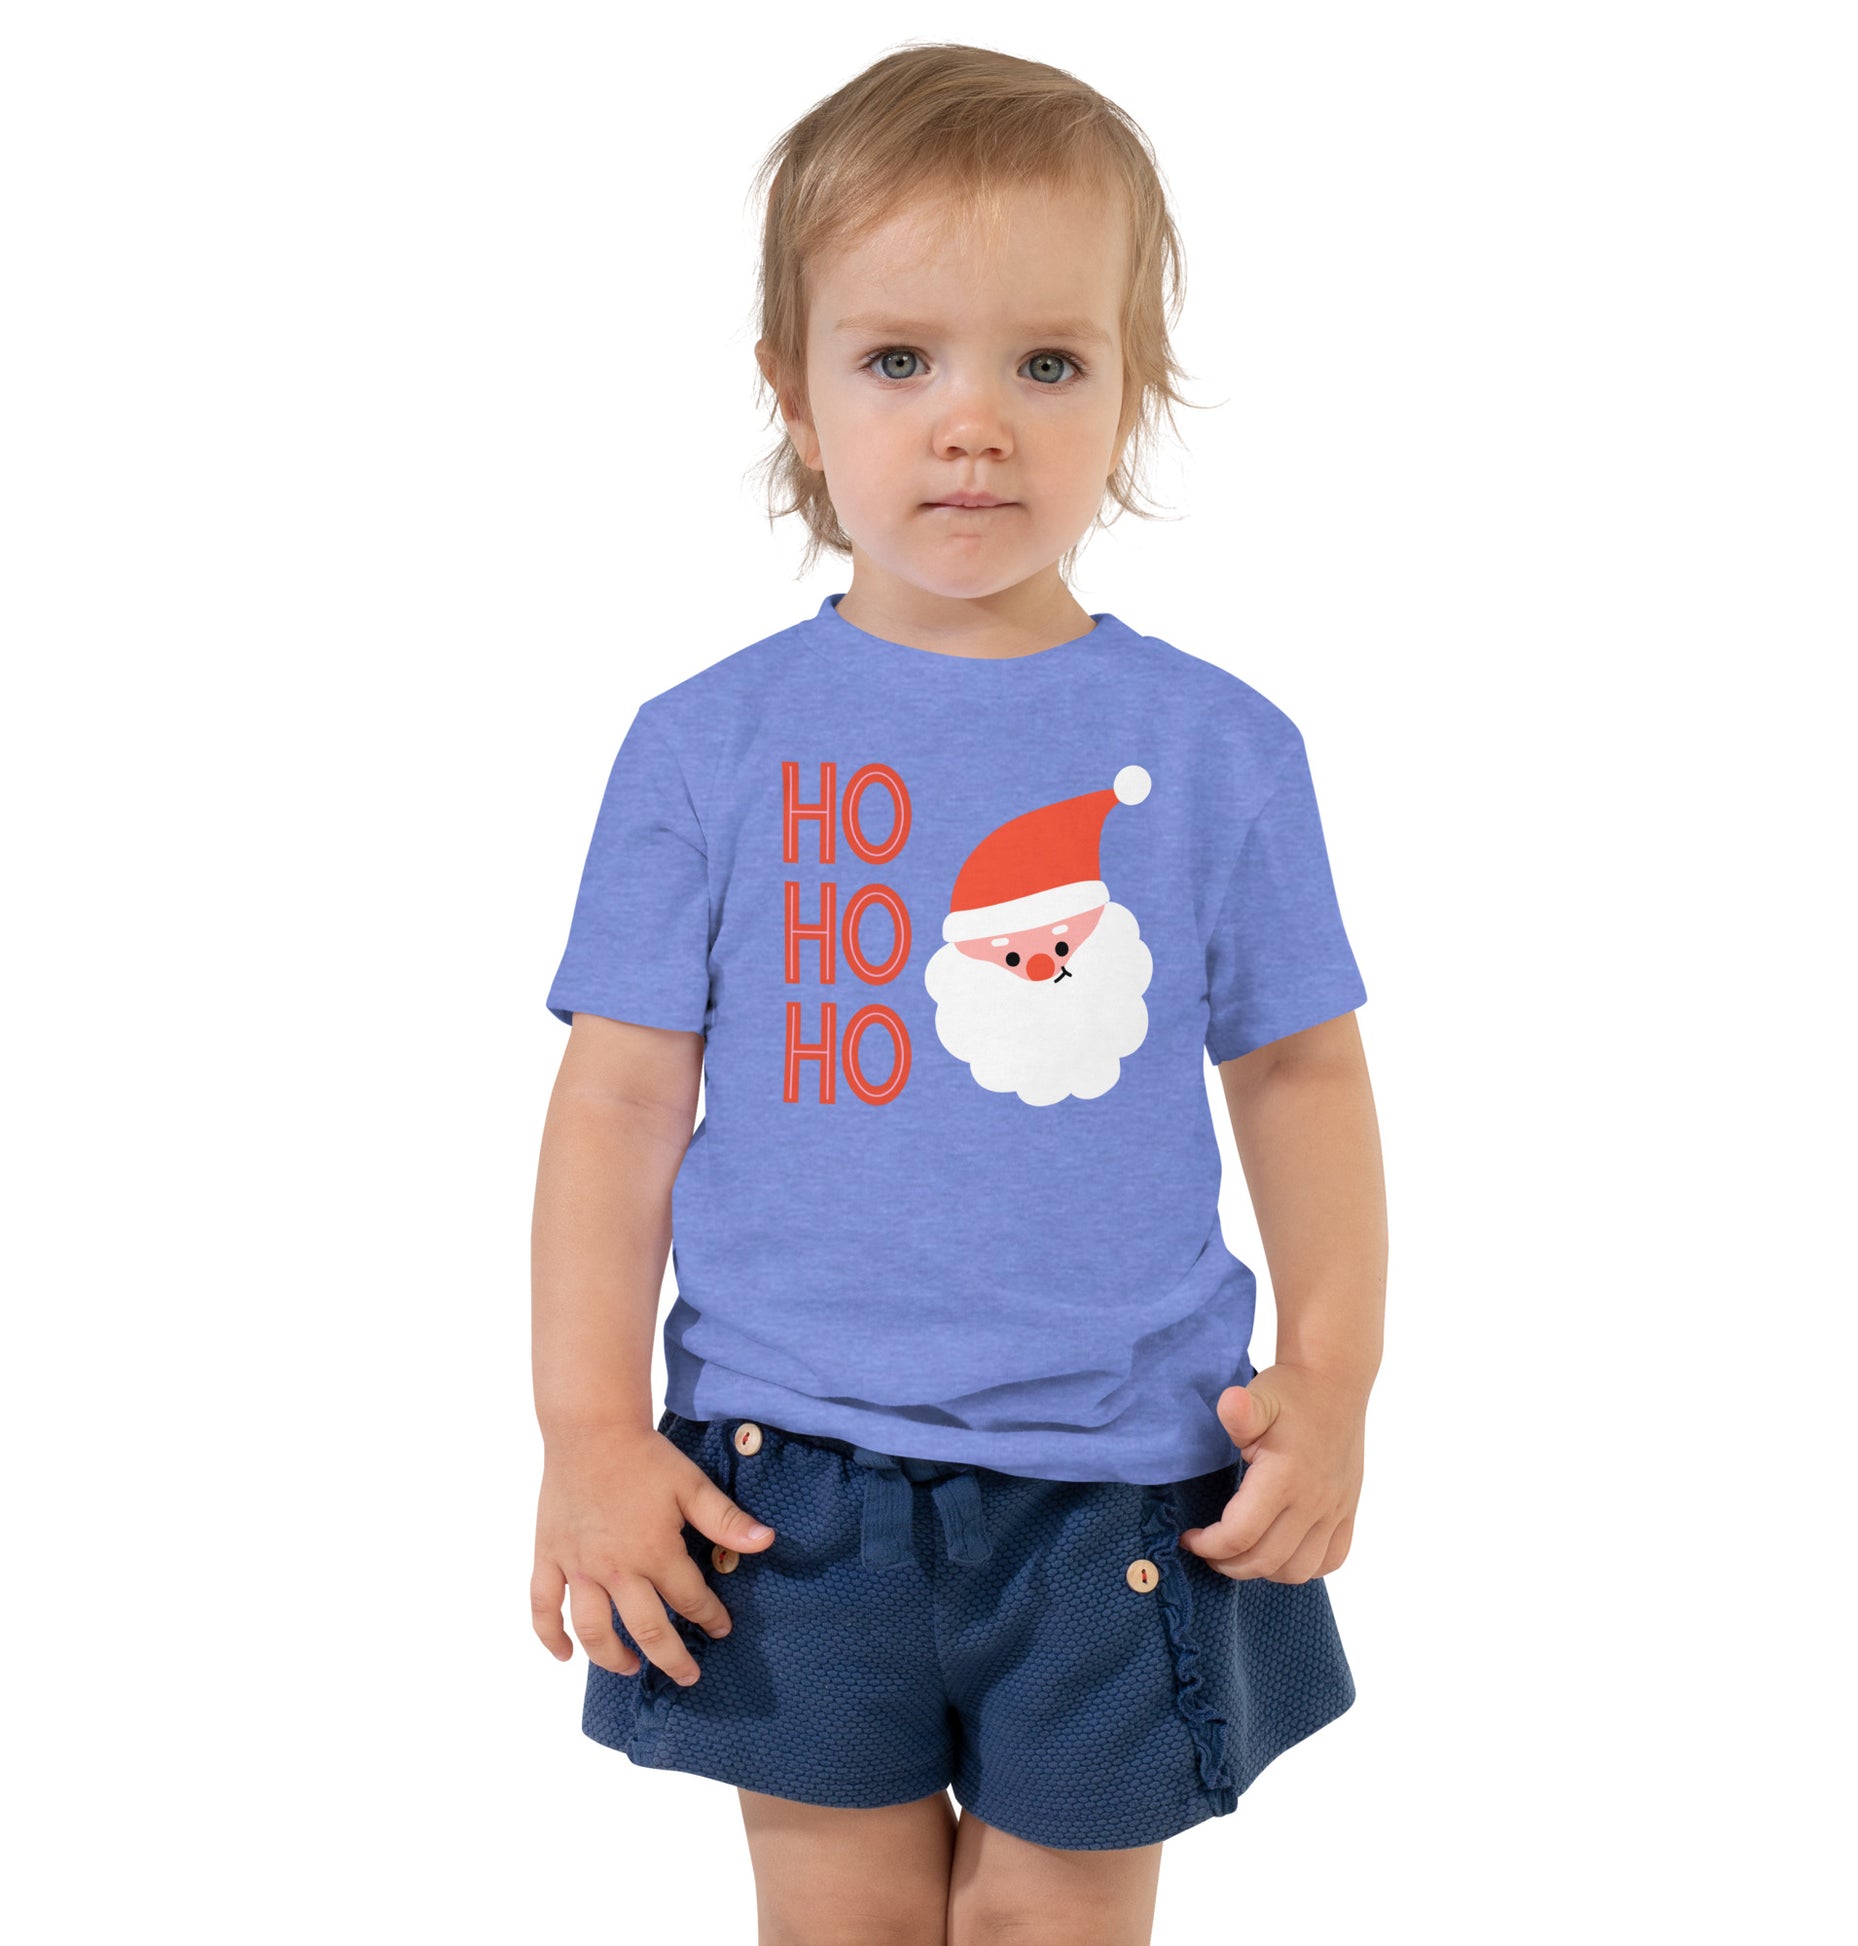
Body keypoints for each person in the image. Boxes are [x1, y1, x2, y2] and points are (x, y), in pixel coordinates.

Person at [530, 41, 1388, 1946]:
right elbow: (617, 1103)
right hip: (784, 1479)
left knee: (1049, 1925)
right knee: (834, 1917)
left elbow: (1303, 1077)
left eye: (1047, 363)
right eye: (900, 358)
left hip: (1123, 1477)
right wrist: (587, 1430)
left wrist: (1331, 1378)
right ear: (796, 388)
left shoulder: (1219, 749)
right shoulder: (706, 746)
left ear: (1131, 388)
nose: (972, 424)